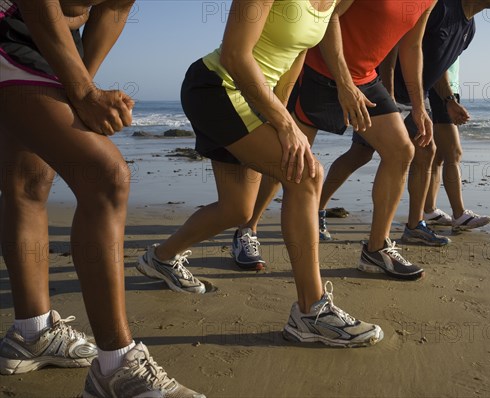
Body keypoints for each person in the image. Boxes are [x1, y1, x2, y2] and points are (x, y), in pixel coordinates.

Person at [135, 0, 384, 348]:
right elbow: (236, 55)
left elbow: (299, 51)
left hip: (255, 99)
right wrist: (284, 123)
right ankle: (311, 312)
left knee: (237, 209)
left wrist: (281, 114)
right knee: (307, 176)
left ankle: (159, 258)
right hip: (218, 88)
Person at [0, 0, 202, 396]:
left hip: (52, 42)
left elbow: (115, 7)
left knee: (29, 181)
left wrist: (79, 88)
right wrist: (84, 90)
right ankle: (116, 365)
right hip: (9, 26)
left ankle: (32, 332)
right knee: (105, 176)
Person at [232, 0, 442, 276]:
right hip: (318, 72)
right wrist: (343, 83)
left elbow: (412, 46)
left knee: (401, 150)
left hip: (365, 79)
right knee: (291, 158)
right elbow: (329, 15)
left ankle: (376, 250)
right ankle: (248, 228)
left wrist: (418, 106)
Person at [318, 0, 490, 244]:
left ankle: (415, 225)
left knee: (426, 150)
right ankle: (316, 208)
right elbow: (396, 43)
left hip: (418, 95)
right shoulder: (441, 9)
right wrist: (388, 97)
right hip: (386, 89)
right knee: (360, 154)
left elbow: (440, 65)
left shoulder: (469, 28)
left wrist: (447, 99)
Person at [423, 59, 490, 229]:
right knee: (453, 153)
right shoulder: (448, 31)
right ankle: (459, 214)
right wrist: (449, 99)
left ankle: (429, 210)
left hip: (444, 90)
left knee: (438, 155)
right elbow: (437, 62)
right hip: (440, 90)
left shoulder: (459, 33)